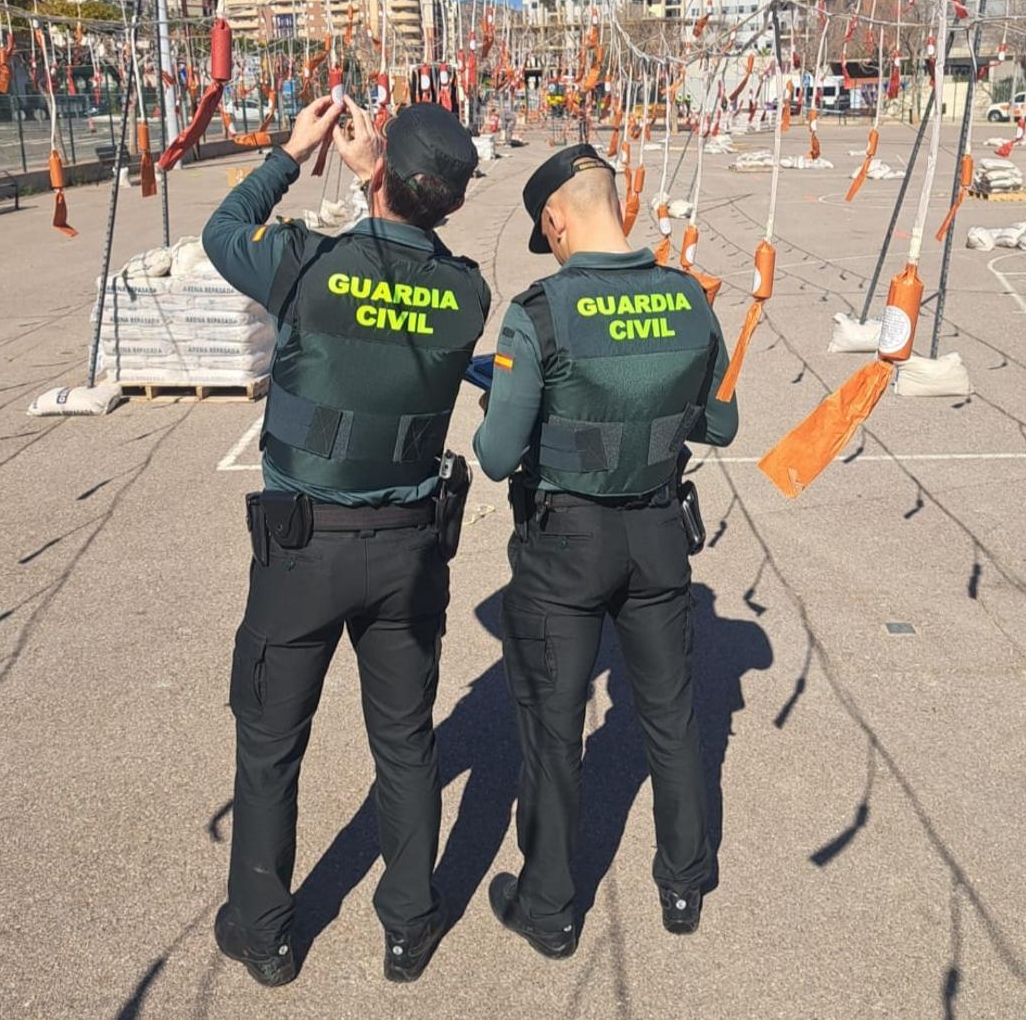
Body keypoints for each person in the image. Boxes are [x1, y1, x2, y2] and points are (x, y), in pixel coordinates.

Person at [202, 94, 490, 987]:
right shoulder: (466, 290)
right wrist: (386, 183)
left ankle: (265, 931)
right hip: (408, 548)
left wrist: (293, 154)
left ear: (380, 176)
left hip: (303, 548)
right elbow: (415, 263)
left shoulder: (307, 264)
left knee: (271, 742)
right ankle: (409, 925)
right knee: (404, 741)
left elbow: (223, 232)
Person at [473, 142, 738, 958]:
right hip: (659, 536)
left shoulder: (541, 310)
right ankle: (685, 880)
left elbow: (493, 455)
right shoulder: (692, 297)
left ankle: (550, 906)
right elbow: (720, 425)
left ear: (555, 219)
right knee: (673, 716)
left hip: (565, 548)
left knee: (555, 728)